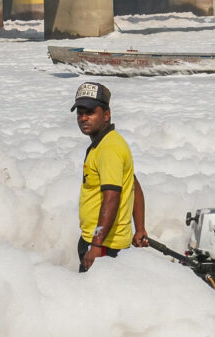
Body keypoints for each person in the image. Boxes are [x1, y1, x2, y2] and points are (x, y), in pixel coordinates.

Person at [71, 82, 148, 272]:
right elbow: (133, 184)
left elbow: (112, 198)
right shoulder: (105, 143)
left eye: (90, 112)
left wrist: (97, 245)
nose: (83, 118)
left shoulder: (108, 149)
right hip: (100, 241)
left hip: (105, 247)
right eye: (80, 112)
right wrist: (139, 229)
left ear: (106, 115)